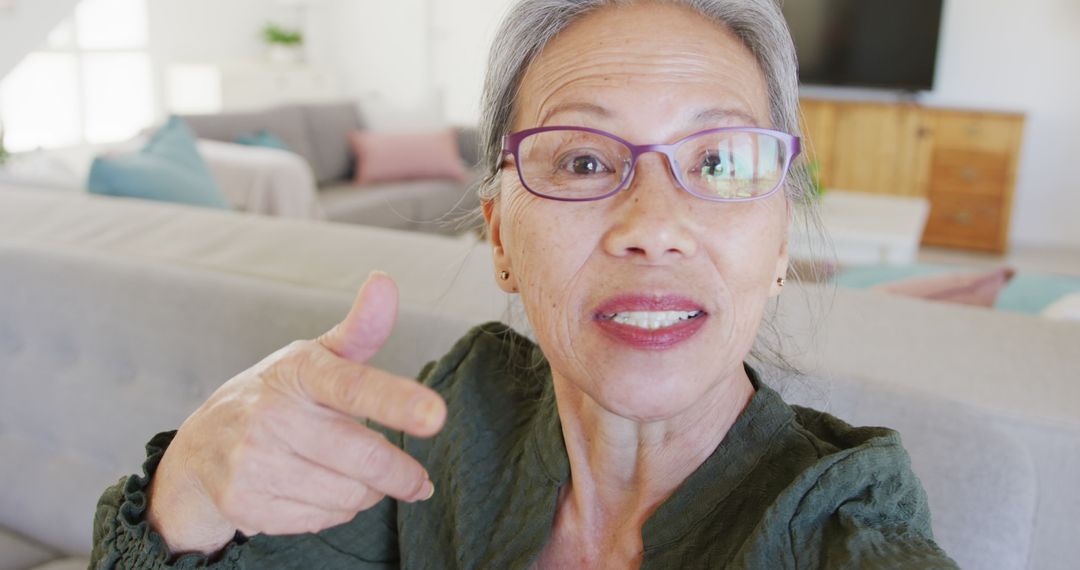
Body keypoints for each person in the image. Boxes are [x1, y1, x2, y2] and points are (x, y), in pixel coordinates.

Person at [91, 0, 959, 568]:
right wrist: (190, 488)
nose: (653, 226)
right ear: (500, 236)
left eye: (719, 159)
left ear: (780, 242)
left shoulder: (838, 524)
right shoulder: (468, 406)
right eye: (584, 159)